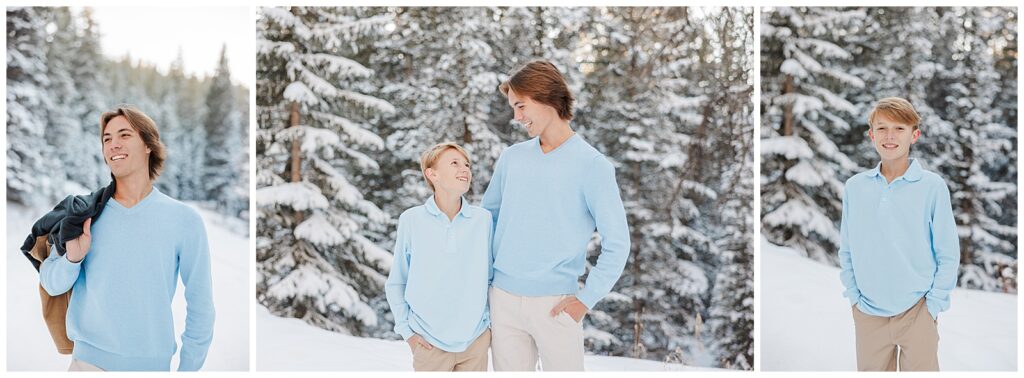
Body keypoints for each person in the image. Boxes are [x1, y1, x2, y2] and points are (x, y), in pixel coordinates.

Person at [39, 105, 215, 371]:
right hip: (88, 365)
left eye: (124, 135)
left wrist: (187, 370)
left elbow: (201, 305)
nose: (113, 144)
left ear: (148, 145)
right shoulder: (86, 212)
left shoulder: (184, 220)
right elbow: (51, 284)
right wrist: (73, 259)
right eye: (107, 138)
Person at [481, 60, 630, 371]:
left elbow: (617, 243)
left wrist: (585, 300)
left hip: (556, 305)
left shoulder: (592, 165)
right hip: (503, 301)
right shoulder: (512, 159)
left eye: (521, 106)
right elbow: (485, 224)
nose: (516, 117)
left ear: (547, 96)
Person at [838, 97, 960, 371]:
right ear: (871, 135)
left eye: (899, 129)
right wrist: (855, 298)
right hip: (868, 312)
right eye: (881, 128)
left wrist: (933, 306)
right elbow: (847, 248)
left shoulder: (932, 187)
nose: (889, 136)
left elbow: (948, 253)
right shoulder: (855, 187)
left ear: (914, 135)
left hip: (917, 311)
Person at [385, 142, 493, 371]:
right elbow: (397, 281)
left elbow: (492, 278)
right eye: (454, 163)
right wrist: (408, 333)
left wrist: (489, 326)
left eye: (467, 164)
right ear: (432, 174)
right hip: (428, 343)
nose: (464, 169)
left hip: (475, 342)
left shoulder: (483, 220)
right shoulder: (411, 220)